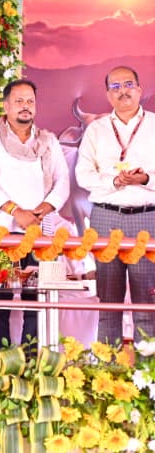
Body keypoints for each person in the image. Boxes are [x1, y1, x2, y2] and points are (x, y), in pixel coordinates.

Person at [0, 78, 70, 348]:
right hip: (1, 234)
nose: (25, 106)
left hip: (40, 234)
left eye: (30, 101)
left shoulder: (48, 141)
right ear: (6, 106)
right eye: (19, 101)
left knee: (35, 302)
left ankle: (29, 363)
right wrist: (16, 212)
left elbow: (62, 181)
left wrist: (42, 210)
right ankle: (0, 362)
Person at [74, 66, 155, 345]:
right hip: (106, 217)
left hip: (147, 218)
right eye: (116, 87)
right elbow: (83, 175)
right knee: (108, 301)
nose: (123, 91)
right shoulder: (96, 130)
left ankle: (148, 369)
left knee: (147, 302)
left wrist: (146, 179)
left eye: (129, 84)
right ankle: (107, 368)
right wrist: (115, 181)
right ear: (108, 95)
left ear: (139, 90)